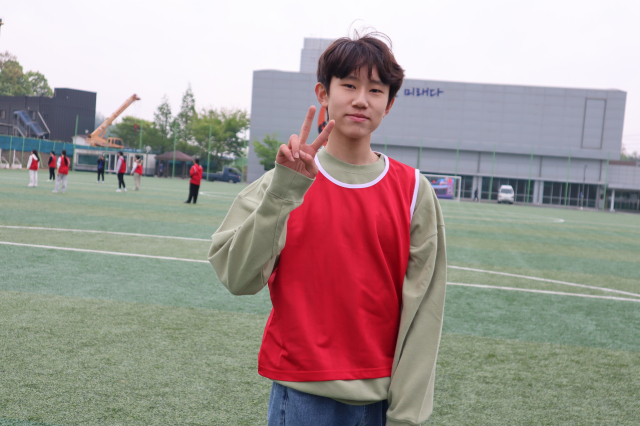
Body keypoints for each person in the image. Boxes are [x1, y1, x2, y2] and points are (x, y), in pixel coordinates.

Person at [208, 33, 446, 426]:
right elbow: (237, 277)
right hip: (301, 396)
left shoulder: (413, 191)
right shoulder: (284, 180)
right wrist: (283, 191)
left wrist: (406, 415)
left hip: (379, 400)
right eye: (349, 85)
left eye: (375, 89)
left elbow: (426, 311)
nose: (361, 99)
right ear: (323, 93)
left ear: (389, 103)